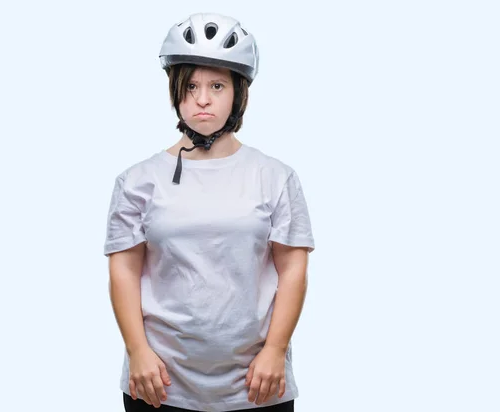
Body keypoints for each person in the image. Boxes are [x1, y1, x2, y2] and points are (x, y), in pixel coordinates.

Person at [104, 12, 315, 412]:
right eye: (192, 86)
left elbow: (293, 271)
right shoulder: (136, 180)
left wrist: (275, 350)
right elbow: (124, 272)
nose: (203, 98)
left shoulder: (275, 177)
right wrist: (137, 351)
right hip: (160, 383)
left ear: (238, 92)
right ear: (175, 92)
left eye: (217, 85)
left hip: (256, 383)